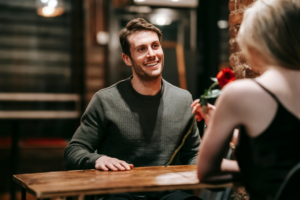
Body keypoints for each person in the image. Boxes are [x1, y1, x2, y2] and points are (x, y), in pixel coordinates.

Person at [64, 18, 201, 200]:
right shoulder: (105, 100)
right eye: (141, 49)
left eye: (155, 46)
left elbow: (193, 153)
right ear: (127, 59)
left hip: (168, 192)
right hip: (119, 192)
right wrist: (98, 159)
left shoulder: (183, 99)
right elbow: (73, 150)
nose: (151, 54)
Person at [192, 0, 300, 199]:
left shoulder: (241, 93)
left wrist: (265, 173)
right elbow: (282, 144)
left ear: (256, 42)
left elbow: (207, 171)